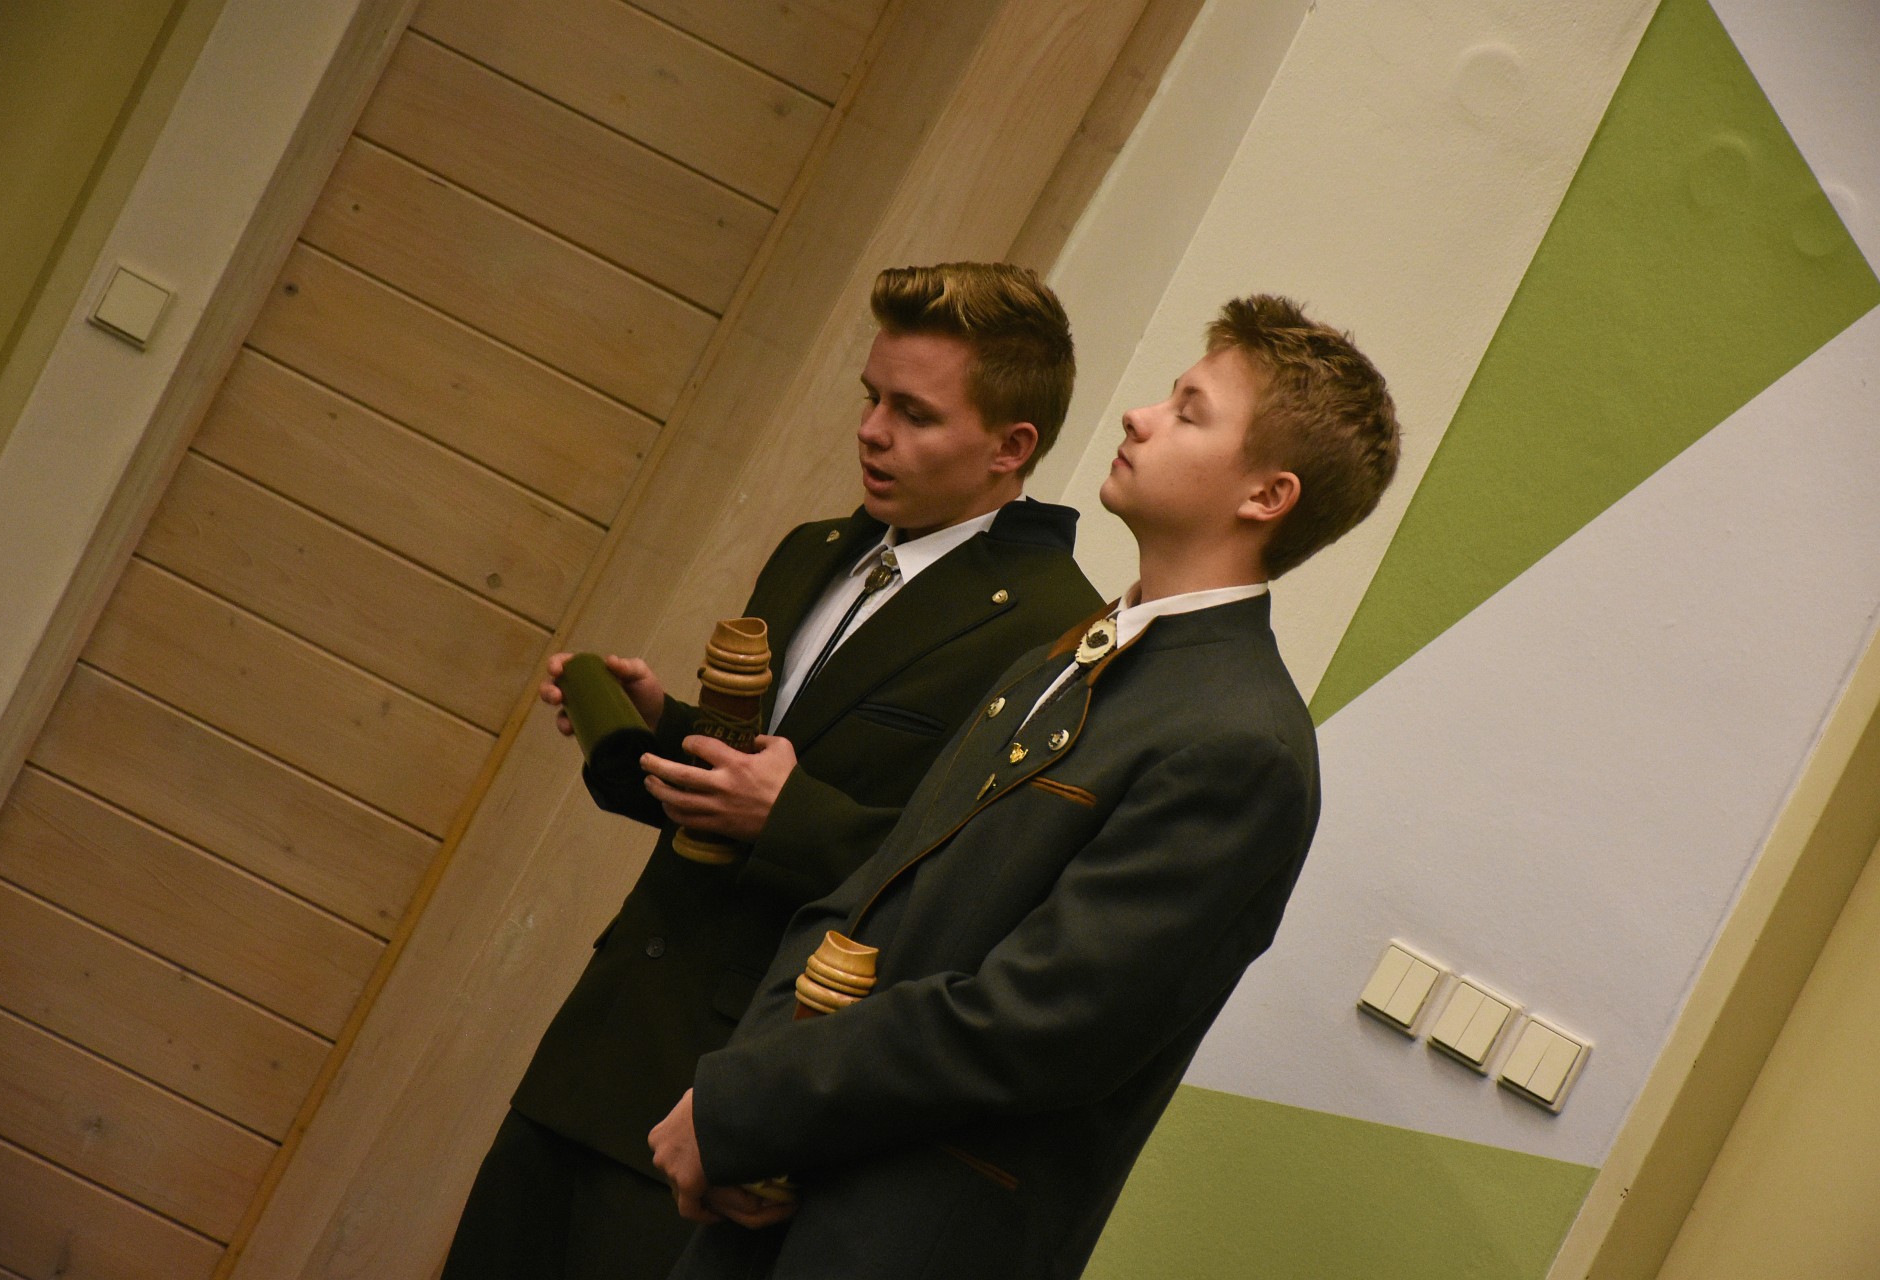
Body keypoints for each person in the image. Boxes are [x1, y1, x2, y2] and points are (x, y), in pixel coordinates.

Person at [649, 294, 1401, 1280]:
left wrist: (755, 1105)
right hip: (787, 1185)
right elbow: (869, 899)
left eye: (1187, 411)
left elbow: (1037, 1025)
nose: (1139, 415)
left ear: (1266, 494)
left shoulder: (1239, 744)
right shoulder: (1078, 652)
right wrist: (747, 1111)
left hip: (907, 1239)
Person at [441, 263, 1103, 1279]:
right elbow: (762, 770)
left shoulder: (1053, 629)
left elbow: (967, 890)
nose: (872, 432)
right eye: (871, 399)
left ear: (1011, 447)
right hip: (603, 1039)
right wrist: (659, 729)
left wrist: (787, 816)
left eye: (914, 413)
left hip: (731, 1092)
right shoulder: (816, 548)